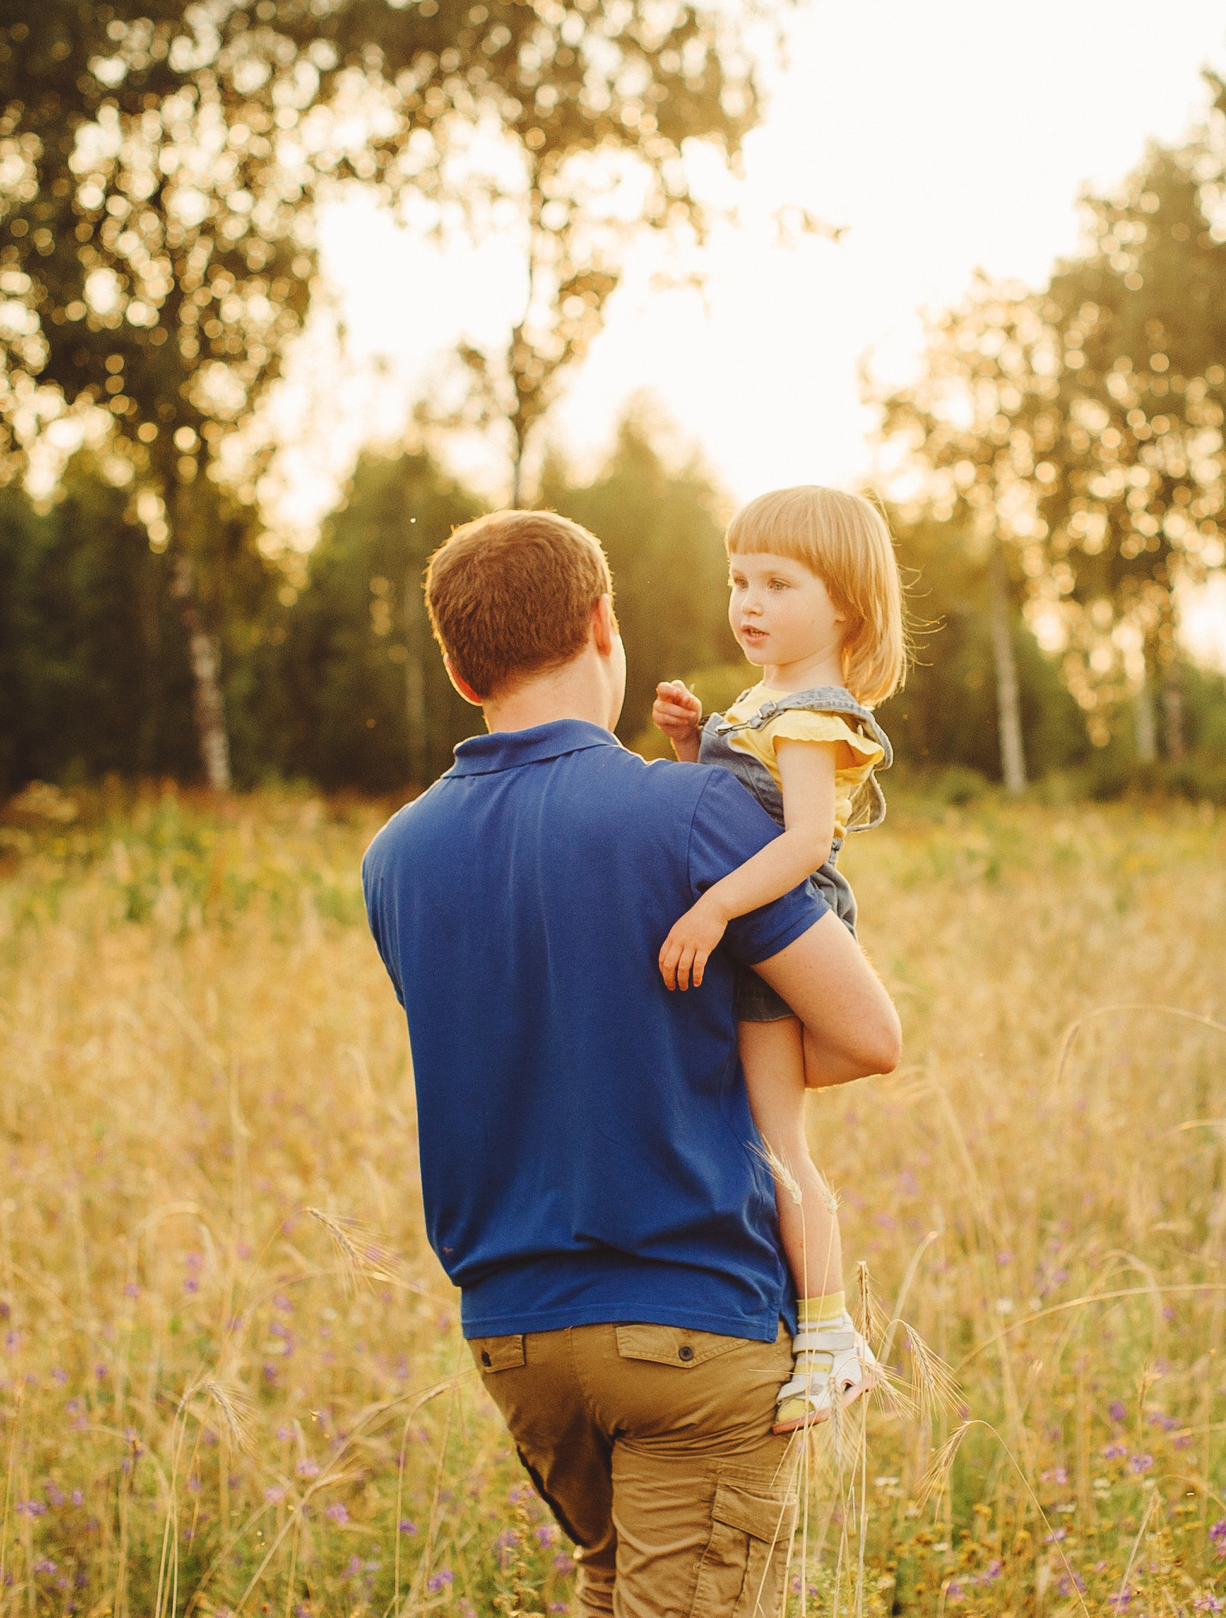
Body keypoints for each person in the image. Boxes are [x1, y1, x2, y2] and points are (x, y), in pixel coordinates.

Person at [359, 509, 901, 1618]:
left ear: (462, 674)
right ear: (603, 624)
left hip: (514, 1340)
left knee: (611, 1590)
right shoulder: (698, 810)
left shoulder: (394, 857)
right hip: (688, 1321)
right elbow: (866, 1036)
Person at [648, 486, 903, 1432]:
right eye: (738, 581)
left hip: (780, 923)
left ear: (843, 604)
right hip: (761, 923)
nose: (747, 603)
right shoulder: (767, 703)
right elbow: (723, 818)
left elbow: (797, 844)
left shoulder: (810, 714)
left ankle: (833, 1343)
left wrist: (714, 910)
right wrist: (690, 745)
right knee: (764, 1130)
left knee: (779, 1145)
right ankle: (818, 1331)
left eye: (777, 584)